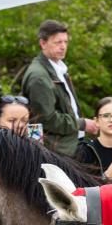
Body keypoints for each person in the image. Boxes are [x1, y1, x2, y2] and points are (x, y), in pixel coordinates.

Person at [16, 20, 97, 156]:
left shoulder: (56, 68)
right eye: (58, 42)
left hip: (66, 145)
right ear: (43, 43)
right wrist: (81, 124)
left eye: (65, 42)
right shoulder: (39, 76)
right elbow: (47, 119)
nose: (63, 46)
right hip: (56, 150)